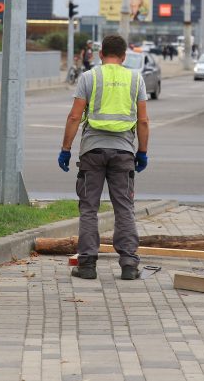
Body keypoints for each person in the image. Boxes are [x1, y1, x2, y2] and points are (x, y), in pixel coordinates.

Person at [58, 34, 150, 280]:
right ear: (123, 56)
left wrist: (65, 149)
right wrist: (142, 152)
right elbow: (143, 120)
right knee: (124, 208)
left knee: (89, 208)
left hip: (92, 152)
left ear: (100, 54)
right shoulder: (135, 78)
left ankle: (87, 265)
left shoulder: (89, 77)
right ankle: (129, 265)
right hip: (123, 153)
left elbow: (74, 117)